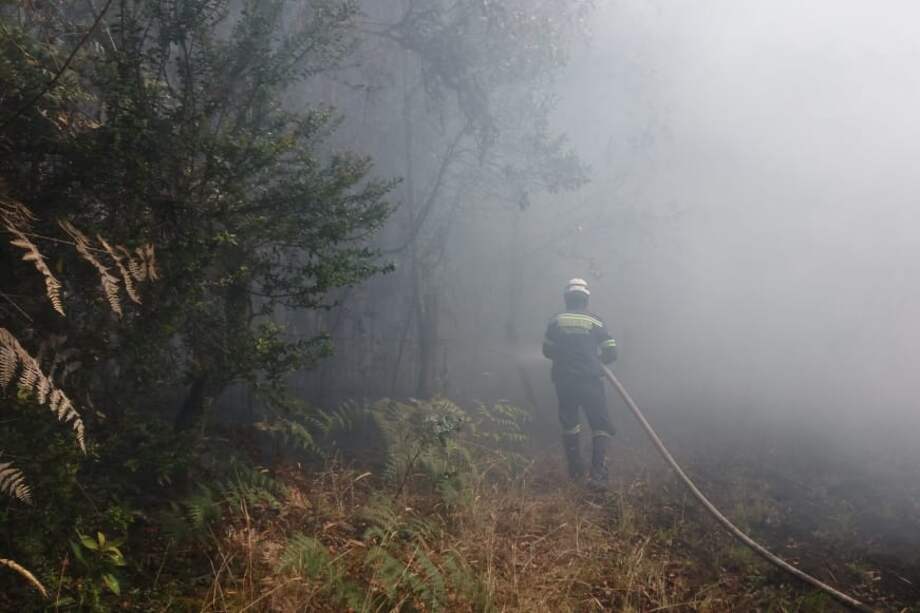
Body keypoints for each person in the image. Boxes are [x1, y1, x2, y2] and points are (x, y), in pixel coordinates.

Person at [542, 278, 618, 489]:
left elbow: (547, 350)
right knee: (601, 426)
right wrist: (596, 360)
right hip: (590, 380)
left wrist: (566, 355)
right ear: (586, 299)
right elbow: (612, 352)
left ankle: (576, 472)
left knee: (570, 424)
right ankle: (598, 478)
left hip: (564, 382)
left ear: (567, 299)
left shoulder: (555, 321)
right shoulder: (596, 321)